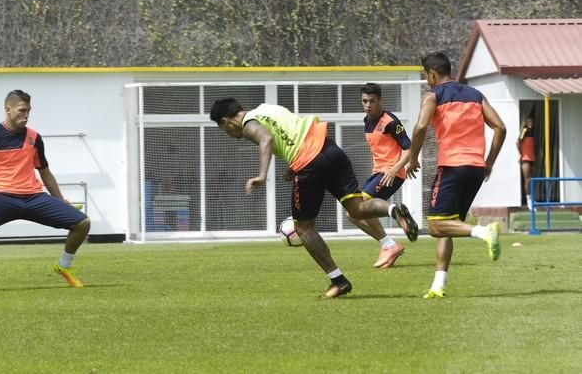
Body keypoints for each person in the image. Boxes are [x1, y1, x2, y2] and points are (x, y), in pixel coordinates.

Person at [210, 98, 418, 298]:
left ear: (226, 121)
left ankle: (338, 281)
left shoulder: (247, 125)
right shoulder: (266, 108)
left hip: (309, 163)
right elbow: (292, 129)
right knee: (356, 209)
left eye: (223, 129)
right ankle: (393, 209)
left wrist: (262, 175)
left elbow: (266, 139)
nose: (227, 133)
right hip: (330, 149)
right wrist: (292, 165)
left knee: (303, 228)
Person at [0, 90, 90, 293]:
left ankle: (63, 267)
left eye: (28, 111)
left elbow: (45, 172)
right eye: (21, 110)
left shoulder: (34, 138)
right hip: (3, 197)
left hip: (34, 197)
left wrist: (60, 199)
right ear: (8, 110)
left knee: (83, 223)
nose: (26, 115)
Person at [405, 52, 506, 299]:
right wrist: (489, 163)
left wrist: (412, 158)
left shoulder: (433, 95)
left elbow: (419, 127)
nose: (427, 81)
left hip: (452, 166)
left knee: (435, 226)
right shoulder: (475, 95)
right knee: (448, 227)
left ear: (431, 74)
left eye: (426, 76)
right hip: (475, 169)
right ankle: (438, 285)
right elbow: (500, 128)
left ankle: (483, 232)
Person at [347, 83, 412, 268]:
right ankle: (389, 244)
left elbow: (409, 148)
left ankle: (395, 216)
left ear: (380, 100)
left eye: (372, 101)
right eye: (364, 101)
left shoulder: (391, 122)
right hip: (377, 173)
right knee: (353, 214)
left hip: (391, 173)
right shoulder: (367, 120)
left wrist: (395, 168)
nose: (368, 105)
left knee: (358, 206)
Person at [517, 116, 536, 210]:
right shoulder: (524, 130)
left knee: (531, 180)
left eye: (531, 121)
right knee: (527, 180)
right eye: (528, 121)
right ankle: (528, 200)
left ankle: (532, 199)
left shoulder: (532, 133)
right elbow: (517, 142)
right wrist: (521, 154)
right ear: (525, 123)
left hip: (532, 158)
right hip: (525, 158)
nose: (530, 123)